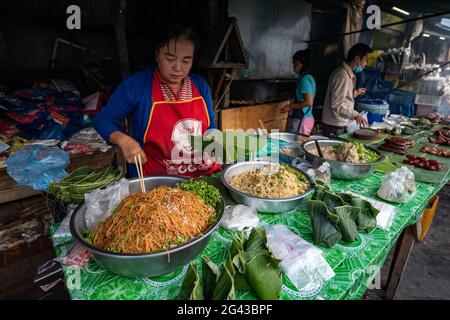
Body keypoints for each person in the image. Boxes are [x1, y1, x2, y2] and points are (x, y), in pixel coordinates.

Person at [93, 24, 219, 178]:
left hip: (200, 177)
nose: (178, 67)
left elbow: (210, 127)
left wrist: (212, 148)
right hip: (154, 181)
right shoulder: (137, 85)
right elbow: (102, 119)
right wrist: (124, 141)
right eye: (170, 58)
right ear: (157, 54)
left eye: (186, 61)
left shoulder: (201, 86)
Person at [321, 43, 372, 137]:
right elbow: (337, 104)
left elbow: (342, 95)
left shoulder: (347, 74)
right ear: (357, 59)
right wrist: (355, 115)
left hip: (337, 123)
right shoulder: (342, 75)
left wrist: (355, 93)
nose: (366, 64)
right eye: (366, 60)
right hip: (334, 125)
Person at [281, 49, 316, 136]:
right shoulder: (308, 77)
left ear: (302, 64)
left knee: (297, 145)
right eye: (293, 63)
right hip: (305, 118)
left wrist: (289, 106)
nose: (293, 66)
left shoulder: (305, 80)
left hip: (303, 120)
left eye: (295, 63)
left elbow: (308, 102)